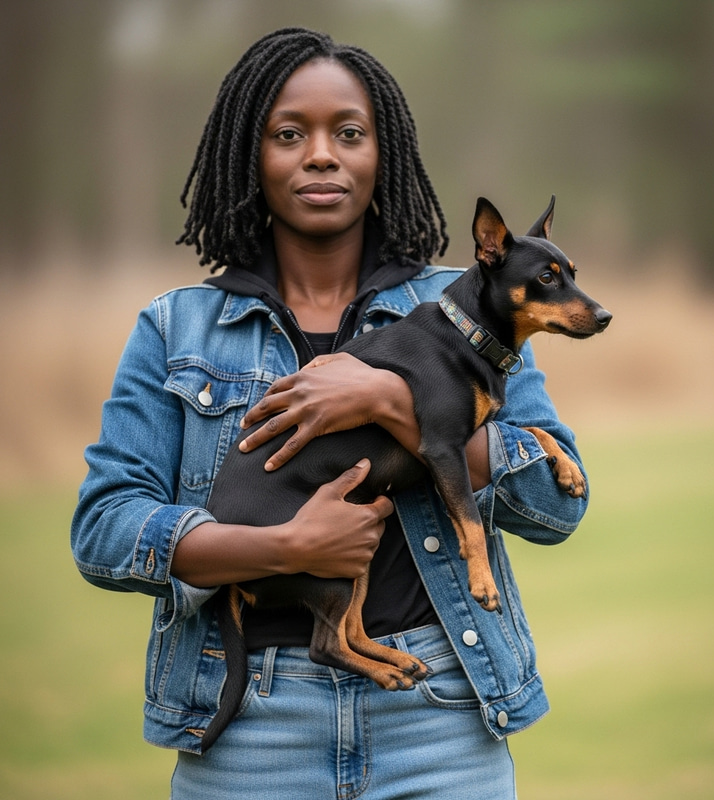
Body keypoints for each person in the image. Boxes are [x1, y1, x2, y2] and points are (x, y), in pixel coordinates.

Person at [71, 27, 589, 799]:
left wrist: (390, 400)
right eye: (289, 134)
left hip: (439, 717)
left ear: (384, 155)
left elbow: (555, 508)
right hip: (250, 731)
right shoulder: (174, 329)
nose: (321, 154)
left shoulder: (471, 311)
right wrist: (281, 547)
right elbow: (105, 529)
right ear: (252, 155)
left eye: (349, 132)